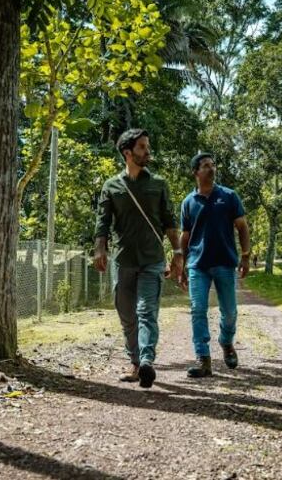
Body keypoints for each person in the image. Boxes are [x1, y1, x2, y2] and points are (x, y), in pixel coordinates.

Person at [94, 129, 183, 388]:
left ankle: (145, 362)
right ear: (127, 152)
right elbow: (103, 221)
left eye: (147, 146)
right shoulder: (111, 186)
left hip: (152, 259)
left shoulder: (158, 184)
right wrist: (100, 249)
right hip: (123, 260)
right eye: (142, 147)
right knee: (127, 314)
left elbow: (169, 221)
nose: (148, 152)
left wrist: (178, 253)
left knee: (146, 311)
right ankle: (135, 361)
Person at [178, 153, 250, 378]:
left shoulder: (229, 196)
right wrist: (181, 265)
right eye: (206, 166)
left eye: (213, 165)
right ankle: (203, 359)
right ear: (195, 172)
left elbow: (242, 226)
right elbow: (185, 236)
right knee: (198, 309)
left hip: (225, 263)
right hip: (197, 265)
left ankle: (226, 342)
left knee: (229, 312)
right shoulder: (188, 202)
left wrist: (245, 255)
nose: (211, 169)